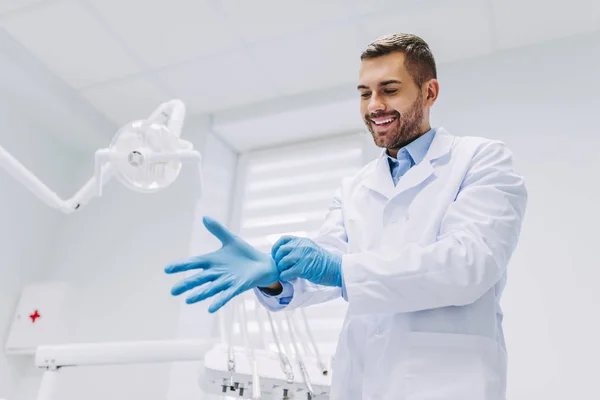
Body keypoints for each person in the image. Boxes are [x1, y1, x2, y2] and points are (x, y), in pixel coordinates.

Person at [165, 33, 528, 400]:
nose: (374, 105)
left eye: (389, 90)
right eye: (364, 93)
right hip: (360, 383)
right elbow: (328, 262)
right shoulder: (355, 186)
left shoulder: (480, 160)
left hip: (446, 384)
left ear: (429, 92)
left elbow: (468, 264)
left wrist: (339, 270)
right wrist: (278, 276)